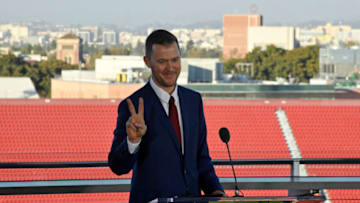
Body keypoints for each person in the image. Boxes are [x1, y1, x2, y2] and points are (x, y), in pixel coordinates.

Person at [108, 29, 224, 203]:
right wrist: (133, 142)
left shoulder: (194, 101)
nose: (170, 68)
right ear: (147, 62)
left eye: (175, 60)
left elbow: (201, 157)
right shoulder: (132, 106)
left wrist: (216, 192)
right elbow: (117, 166)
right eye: (162, 61)